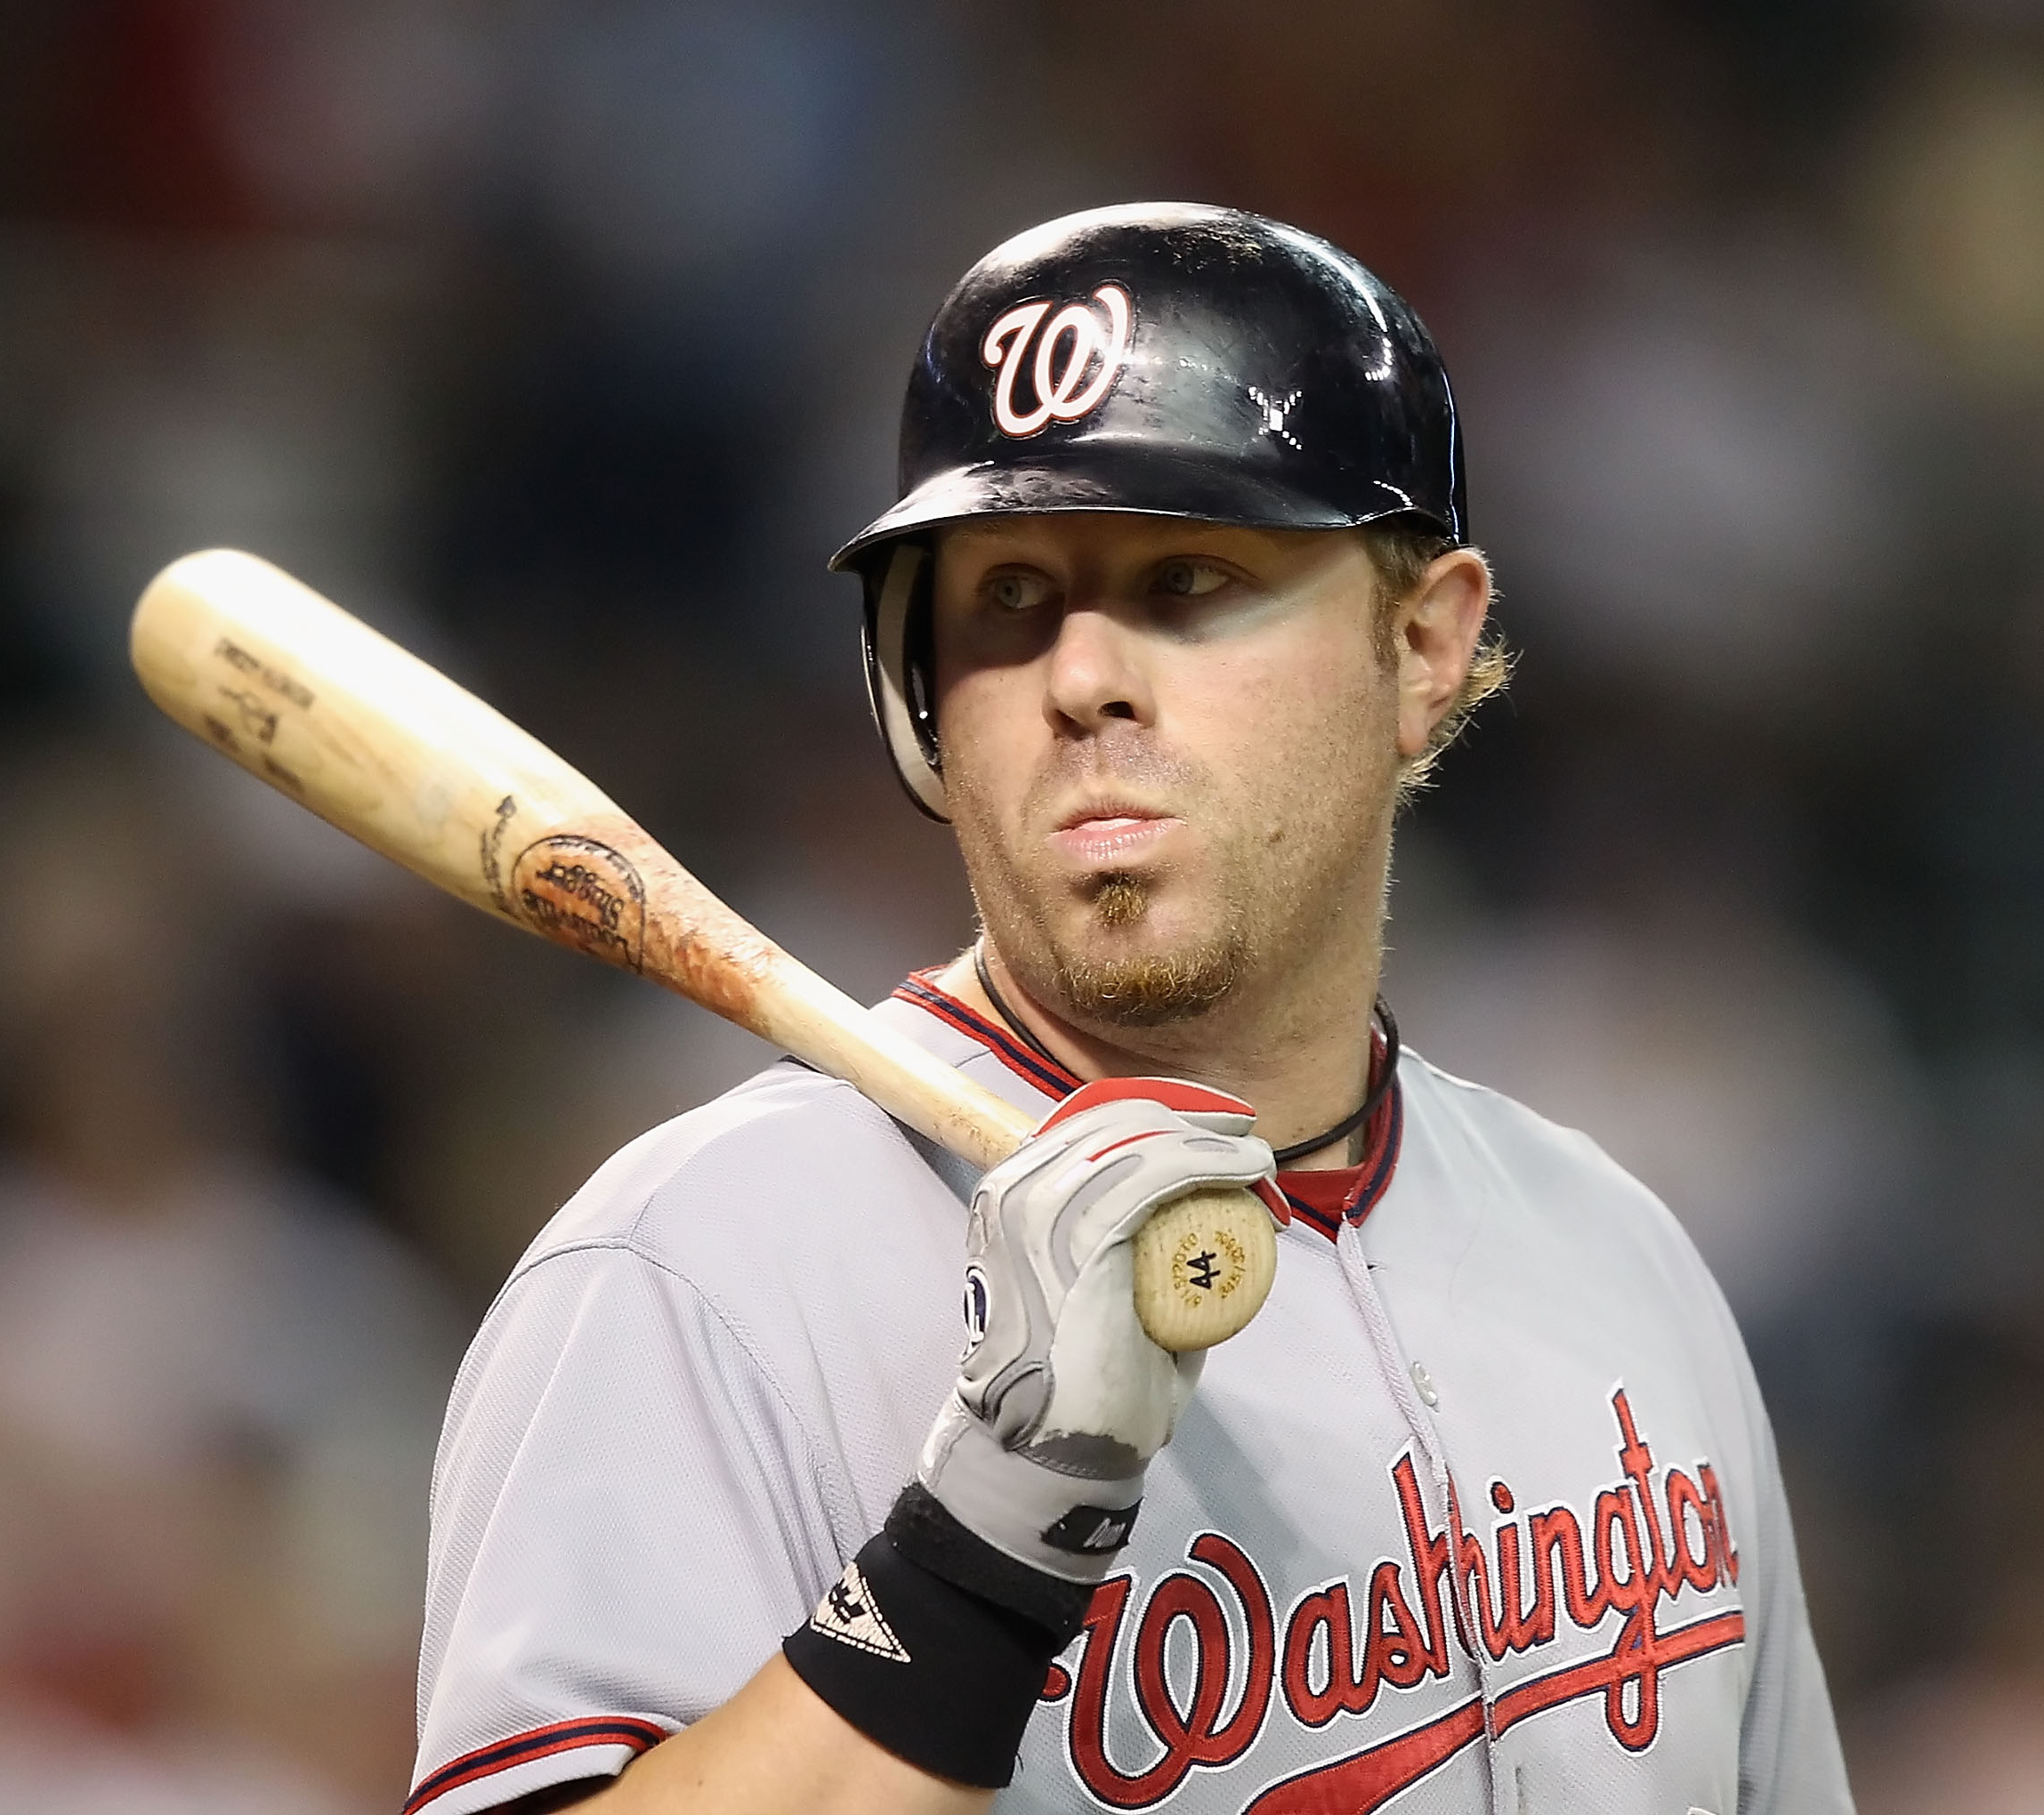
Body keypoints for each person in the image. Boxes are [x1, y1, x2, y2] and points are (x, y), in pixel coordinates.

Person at [408, 204, 1854, 1815]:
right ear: (922, 698)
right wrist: (981, 1545)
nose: (1083, 674)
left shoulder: (1617, 1259)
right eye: (1009, 599)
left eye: (1186, 578)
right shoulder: (701, 1273)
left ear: (1427, 645)